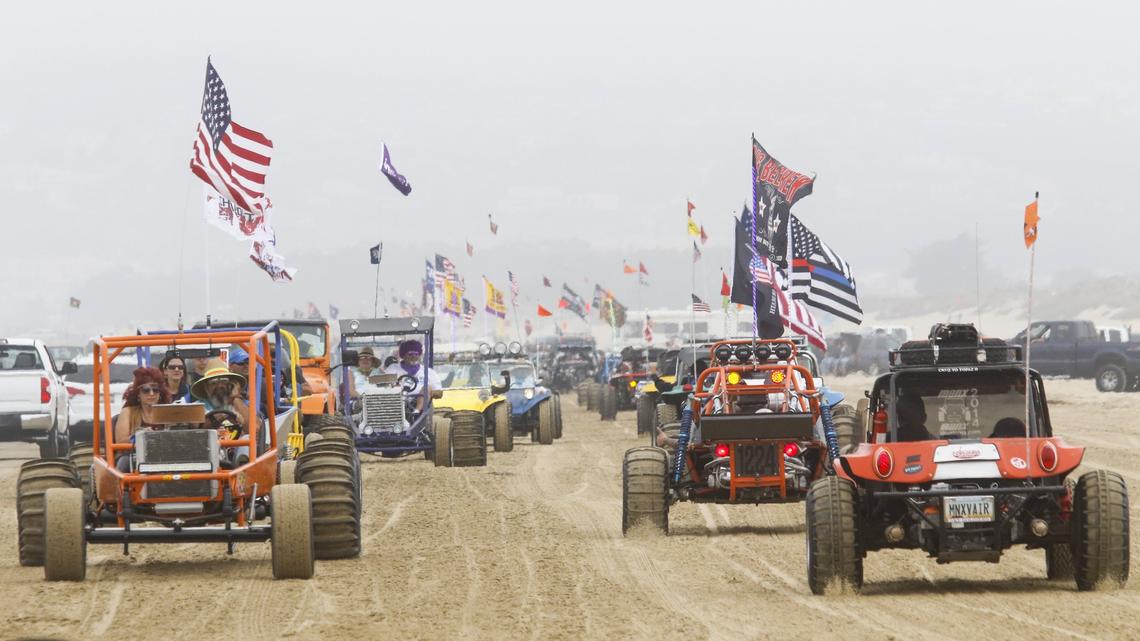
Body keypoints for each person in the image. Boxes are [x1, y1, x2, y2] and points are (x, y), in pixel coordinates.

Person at [113, 367, 172, 471]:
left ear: (160, 393)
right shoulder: (128, 412)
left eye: (155, 389)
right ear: (138, 394)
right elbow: (120, 443)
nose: (151, 394)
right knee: (124, 463)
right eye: (146, 390)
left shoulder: (168, 411)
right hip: (133, 457)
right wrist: (141, 436)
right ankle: (120, 487)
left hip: (164, 456)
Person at [384, 339, 442, 410]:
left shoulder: (429, 372)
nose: (414, 356)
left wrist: (428, 393)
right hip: (399, 406)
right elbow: (385, 386)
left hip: (423, 410)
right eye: (410, 354)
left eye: (416, 354)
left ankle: (416, 412)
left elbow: (439, 393)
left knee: (426, 388)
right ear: (403, 355)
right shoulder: (393, 369)